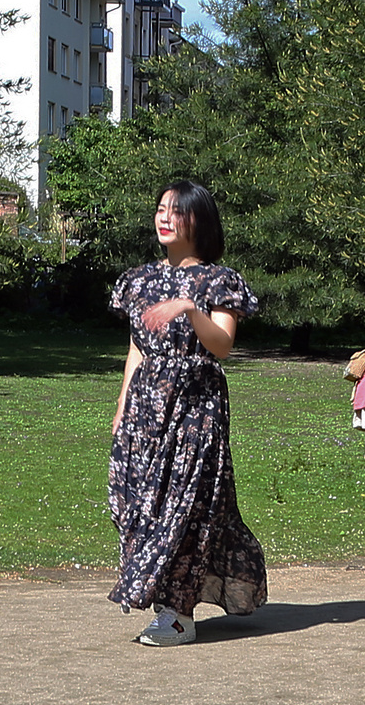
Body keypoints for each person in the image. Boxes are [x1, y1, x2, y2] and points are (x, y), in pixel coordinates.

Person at [108, 180, 265, 646]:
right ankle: (165, 601)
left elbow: (222, 346)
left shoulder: (218, 280)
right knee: (138, 506)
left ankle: (177, 613)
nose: (164, 217)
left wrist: (190, 310)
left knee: (185, 507)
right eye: (160, 208)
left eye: (176, 211)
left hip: (195, 405)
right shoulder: (139, 279)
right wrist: (121, 408)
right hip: (146, 407)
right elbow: (138, 347)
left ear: (199, 220)